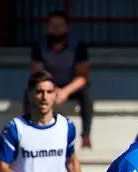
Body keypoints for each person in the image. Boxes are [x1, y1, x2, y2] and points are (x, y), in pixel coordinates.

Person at [28, 10, 94, 148]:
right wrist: (53, 89)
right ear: (47, 28)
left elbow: (83, 77)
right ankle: (30, 131)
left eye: (60, 25)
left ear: (67, 28)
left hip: (71, 86)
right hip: (48, 85)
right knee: (29, 93)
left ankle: (86, 136)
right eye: (52, 25)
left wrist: (65, 91)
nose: (56, 29)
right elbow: (37, 73)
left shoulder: (78, 46)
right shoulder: (39, 46)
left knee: (86, 94)